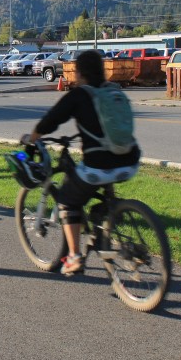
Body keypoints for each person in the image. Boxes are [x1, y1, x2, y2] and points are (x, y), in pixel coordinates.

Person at [22, 50, 140, 275]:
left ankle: (74, 256)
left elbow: (51, 120)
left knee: (67, 200)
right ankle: (106, 233)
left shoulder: (79, 95)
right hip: (130, 160)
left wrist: (32, 138)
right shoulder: (113, 91)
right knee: (98, 197)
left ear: (79, 73)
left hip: (99, 167)